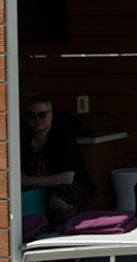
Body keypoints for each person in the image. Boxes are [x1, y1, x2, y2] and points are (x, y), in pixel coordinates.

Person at [21, 98, 95, 228]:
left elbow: (67, 178)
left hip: (71, 188)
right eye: (32, 116)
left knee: (57, 199)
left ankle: (70, 228)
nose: (37, 119)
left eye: (42, 115)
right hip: (35, 190)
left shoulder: (63, 138)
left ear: (51, 115)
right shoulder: (22, 139)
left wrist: (29, 181)